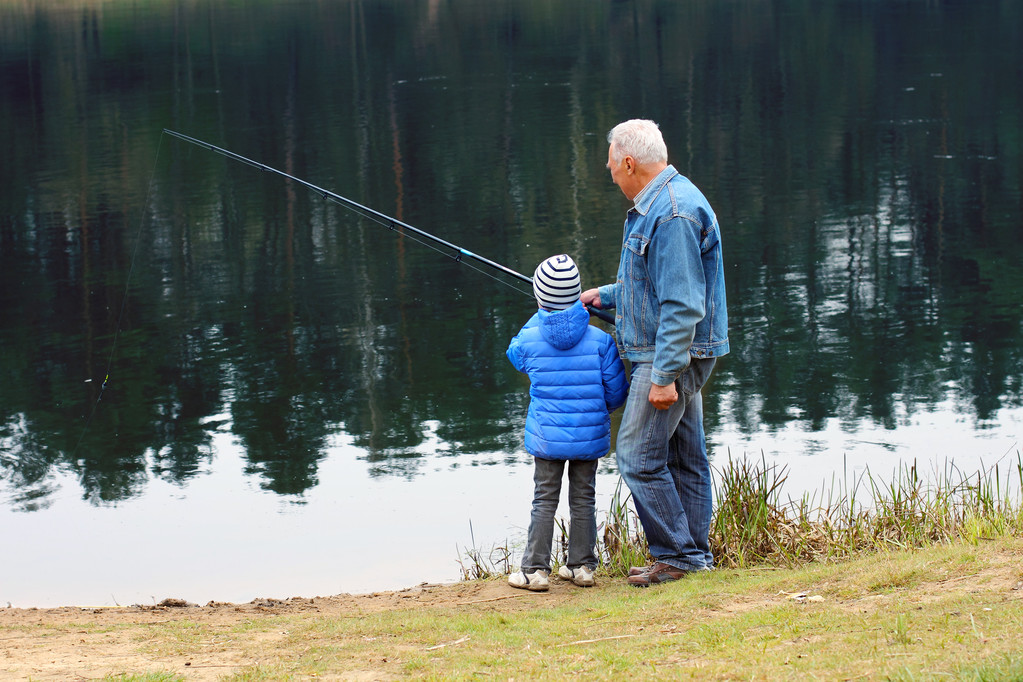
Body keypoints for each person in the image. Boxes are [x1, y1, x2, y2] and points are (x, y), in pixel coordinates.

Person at [581, 119, 729, 587]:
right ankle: (693, 556)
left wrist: (664, 374)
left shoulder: (670, 213)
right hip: (673, 349)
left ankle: (678, 556)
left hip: (671, 355)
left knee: (637, 456)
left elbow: (683, 304)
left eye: (612, 169)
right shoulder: (667, 203)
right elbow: (654, 286)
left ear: (629, 162)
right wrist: (605, 296)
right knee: (685, 456)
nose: (613, 178)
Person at [506, 254, 629, 591]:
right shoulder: (602, 342)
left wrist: (539, 316)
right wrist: (594, 410)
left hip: (547, 438)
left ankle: (534, 571)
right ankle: (582, 567)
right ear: (577, 296)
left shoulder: (530, 340)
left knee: (544, 498)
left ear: (540, 298)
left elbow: (514, 353)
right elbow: (617, 393)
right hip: (589, 436)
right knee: (583, 499)